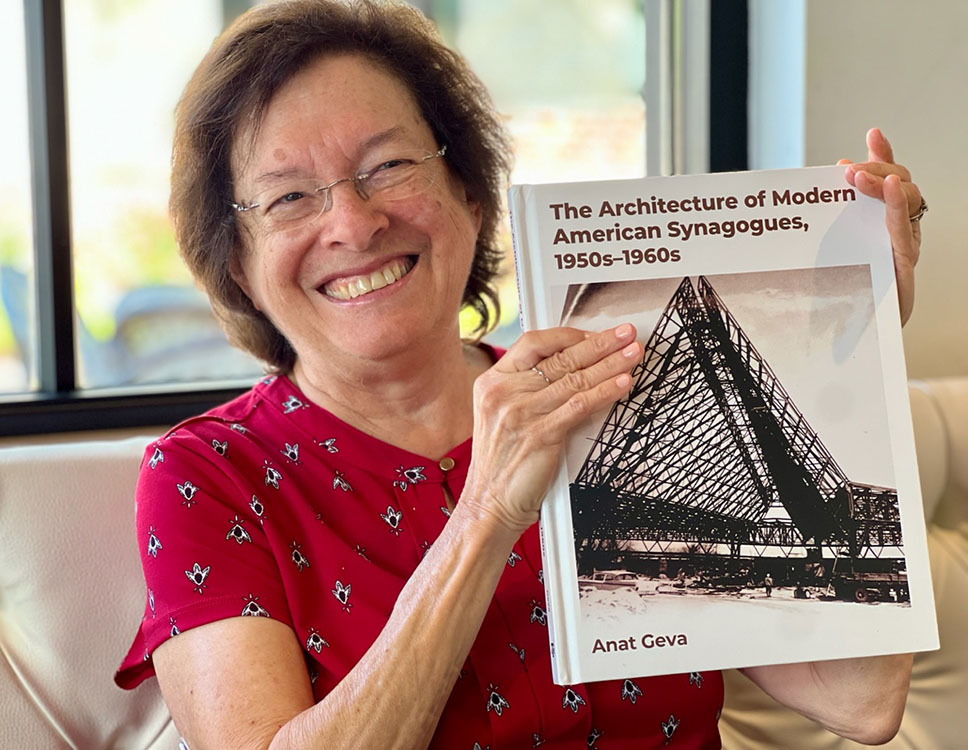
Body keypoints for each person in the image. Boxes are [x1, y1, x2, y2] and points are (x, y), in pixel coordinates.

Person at [115, 1, 925, 747]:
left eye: (389, 166)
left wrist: (849, 354)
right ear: (239, 264)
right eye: (289, 197)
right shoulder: (207, 476)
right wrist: (487, 514)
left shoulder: (608, 391)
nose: (354, 223)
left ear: (468, 194)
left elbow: (859, 698)